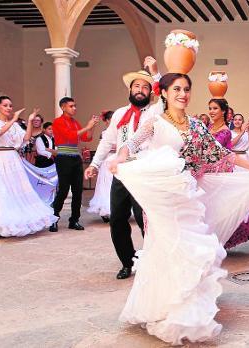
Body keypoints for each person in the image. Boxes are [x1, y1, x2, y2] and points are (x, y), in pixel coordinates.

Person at [108, 73, 249, 345]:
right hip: (164, 198)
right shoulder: (154, 122)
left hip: (189, 197)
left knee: (192, 250)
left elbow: (220, 152)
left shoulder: (196, 125)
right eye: (177, 89)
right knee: (169, 249)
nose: (183, 93)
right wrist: (119, 158)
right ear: (164, 93)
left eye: (186, 89)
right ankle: (166, 307)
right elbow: (130, 144)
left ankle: (189, 310)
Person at [85, 60, 159, 279]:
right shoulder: (119, 114)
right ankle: (128, 261)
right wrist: (94, 164)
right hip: (122, 172)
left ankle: (156, 261)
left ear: (150, 92)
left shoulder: (155, 111)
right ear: (130, 89)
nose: (140, 90)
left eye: (145, 87)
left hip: (144, 170)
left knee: (145, 219)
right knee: (117, 219)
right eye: (137, 86)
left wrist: (155, 73)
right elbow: (107, 142)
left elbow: (165, 96)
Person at [0, 96, 57, 237]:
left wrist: (29, 121)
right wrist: (14, 119)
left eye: (10, 105)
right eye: (5, 105)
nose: (9, 108)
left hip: (12, 157)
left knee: (14, 188)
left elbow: (26, 138)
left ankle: (15, 220)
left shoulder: (14, 125)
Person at [208, 99, 249, 248]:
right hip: (206, 173)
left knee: (220, 208)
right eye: (210, 108)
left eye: (215, 108)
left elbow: (225, 154)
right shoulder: (207, 127)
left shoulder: (225, 131)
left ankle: (218, 239)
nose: (211, 111)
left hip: (220, 172)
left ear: (223, 111)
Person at [49, 97, 99, 232]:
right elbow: (70, 136)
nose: (74, 108)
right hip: (63, 158)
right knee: (64, 190)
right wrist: (87, 127)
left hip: (76, 158)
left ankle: (74, 220)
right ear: (63, 107)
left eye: (75, 106)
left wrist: (92, 127)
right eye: (71, 106)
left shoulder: (75, 122)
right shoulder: (57, 122)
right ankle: (53, 219)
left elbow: (86, 138)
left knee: (78, 190)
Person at [86, 110, 115, 223]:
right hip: (107, 161)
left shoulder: (120, 132)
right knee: (106, 187)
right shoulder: (104, 133)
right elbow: (105, 148)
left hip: (118, 161)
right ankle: (107, 210)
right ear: (107, 120)